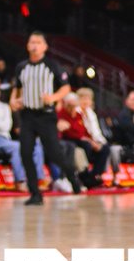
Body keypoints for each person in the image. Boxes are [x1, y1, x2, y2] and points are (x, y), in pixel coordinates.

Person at [10, 31, 82, 206]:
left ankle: (72, 176)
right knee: (25, 153)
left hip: (46, 115)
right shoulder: (21, 67)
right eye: (31, 42)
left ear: (44, 47)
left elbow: (66, 88)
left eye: (38, 42)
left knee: (55, 153)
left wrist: (53, 98)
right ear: (27, 46)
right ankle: (35, 194)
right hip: (27, 115)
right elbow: (17, 89)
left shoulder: (52, 65)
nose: (34, 45)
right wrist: (13, 100)